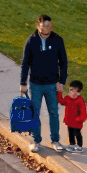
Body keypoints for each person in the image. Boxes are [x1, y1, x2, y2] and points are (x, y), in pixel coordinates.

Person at [19, 14, 68, 153]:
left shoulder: (58, 40)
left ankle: (55, 140)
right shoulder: (32, 41)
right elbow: (25, 63)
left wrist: (62, 81)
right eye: (45, 25)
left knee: (54, 113)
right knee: (35, 113)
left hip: (52, 85)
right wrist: (23, 83)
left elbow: (63, 63)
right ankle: (36, 141)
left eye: (50, 25)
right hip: (36, 85)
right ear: (38, 26)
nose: (48, 28)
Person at [58, 80, 87, 153]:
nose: (70, 92)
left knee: (78, 134)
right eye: (70, 90)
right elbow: (61, 101)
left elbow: (83, 113)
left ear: (78, 92)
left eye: (72, 90)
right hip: (69, 121)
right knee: (70, 133)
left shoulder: (80, 100)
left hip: (77, 122)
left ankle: (79, 146)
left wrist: (79, 119)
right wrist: (59, 92)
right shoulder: (68, 98)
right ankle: (72, 145)